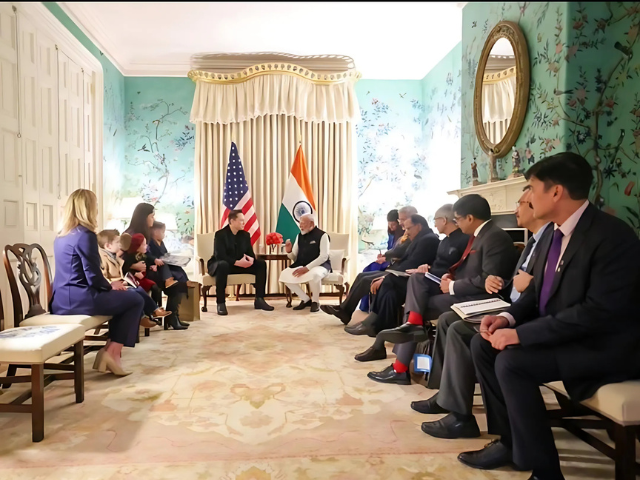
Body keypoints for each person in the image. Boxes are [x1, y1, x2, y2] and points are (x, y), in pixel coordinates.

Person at [458, 152, 640, 480]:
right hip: (566, 335)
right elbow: (533, 294)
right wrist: (508, 320)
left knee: (513, 363)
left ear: (556, 192)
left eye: (531, 187)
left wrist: (523, 335)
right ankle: (511, 443)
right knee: (483, 346)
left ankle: (544, 472)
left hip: (602, 345)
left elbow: (598, 313)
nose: (525, 197)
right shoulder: (553, 235)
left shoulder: (612, 237)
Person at [417, 188, 552, 440]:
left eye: (521, 203)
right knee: (445, 316)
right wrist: (498, 281)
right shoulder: (533, 240)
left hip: (506, 306)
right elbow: (509, 279)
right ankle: (447, 395)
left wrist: (507, 284)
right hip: (507, 303)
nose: (515, 210)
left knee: (454, 324)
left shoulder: (503, 237)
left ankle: (459, 412)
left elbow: (528, 285)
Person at [365, 194, 518, 385]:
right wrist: (451, 276)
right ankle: (407, 345)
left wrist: (453, 285)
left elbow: (490, 282)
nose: (458, 224)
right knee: (417, 282)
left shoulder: (494, 237)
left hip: (477, 298)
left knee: (417, 309)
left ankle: (401, 365)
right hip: (462, 289)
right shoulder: (480, 236)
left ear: (469, 218)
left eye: (459, 219)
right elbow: (467, 268)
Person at [50, 189, 144, 377]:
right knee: (135, 300)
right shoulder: (85, 235)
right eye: (96, 206)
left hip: (60, 299)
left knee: (127, 297)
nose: (97, 210)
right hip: (78, 299)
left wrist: (111, 287)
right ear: (88, 208)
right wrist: (111, 285)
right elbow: (92, 276)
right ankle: (111, 353)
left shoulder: (62, 235)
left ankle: (110, 351)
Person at [346, 204, 468, 338]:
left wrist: (427, 270)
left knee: (389, 281)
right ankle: (380, 328)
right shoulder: (444, 241)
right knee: (389, 290)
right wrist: (428, 268)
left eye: (436, 219)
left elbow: (454, 268)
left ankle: (375, 325)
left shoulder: (434, 239)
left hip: (437, 281)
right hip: (427, 275)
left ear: (444, 220)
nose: (406, 230)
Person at [320, 205, 417, 324]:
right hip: (394, 268)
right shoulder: (405, 234)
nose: (399, 223)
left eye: (400, 220)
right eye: (398, 220)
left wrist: (386, 257)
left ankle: (345, 311)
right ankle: (345, 309)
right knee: (362, 276)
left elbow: (400, 252)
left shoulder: (414, 235)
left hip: (398, 272)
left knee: (366, 279)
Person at [97, 229, 170, 330]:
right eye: (117, 242)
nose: (120, 245)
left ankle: (153, 311)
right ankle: (145, 316)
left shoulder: (114, 256)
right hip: (110, 289)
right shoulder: (101, 258)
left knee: (138, 289)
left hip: (121, 285)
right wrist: (113, 283)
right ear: (108, 246)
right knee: (134, 293)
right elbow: (102, 277)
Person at [207, 210, 274, 316]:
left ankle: (259, 299)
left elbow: (250, 253)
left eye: (244, 220)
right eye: (241, 220)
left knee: (261, 263)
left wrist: (251, 260)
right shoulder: (220, 234)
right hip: (222, 265)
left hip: (240, 264)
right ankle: (221, 303)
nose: (244, 223)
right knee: (223, 265)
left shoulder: (245, 235)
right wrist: (237, 262)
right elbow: (220, 256)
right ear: (232, 221)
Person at [122, 233, 190, 330]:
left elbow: (148, 262)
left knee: (178, 287)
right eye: (144, 244)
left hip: (152, 277)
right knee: (171, 287)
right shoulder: (128, 256)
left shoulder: (144, 255)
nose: (147, 246)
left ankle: (173, 317)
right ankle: (161, 314)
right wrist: (133, 269)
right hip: (142, 281)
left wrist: (152, 266)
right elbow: (123, 269)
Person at [279, 214, 331, 312]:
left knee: (314, 274)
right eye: (300, 223)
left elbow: (324, 256)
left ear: (311, 223)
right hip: (302, 265)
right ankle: (305, 299)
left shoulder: (323, 235)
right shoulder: (299, 236)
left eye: (303, 223)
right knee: (284, 275)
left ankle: (315, 301)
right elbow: (294, 257)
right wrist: (289, 251)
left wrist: (307, 268)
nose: (300, 226)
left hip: (320, 266)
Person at [357, 209, 404, 312]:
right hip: (388, 259)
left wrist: (386, 258)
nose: (391, 227)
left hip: (394, 263)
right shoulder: (391, 234)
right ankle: (364, 305)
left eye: (394, 224)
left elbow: (399, 254)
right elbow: (390, 250)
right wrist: (383, 255)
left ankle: (367, 306)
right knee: (367, 269)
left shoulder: (403, 236)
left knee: (370, 271)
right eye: (389, 224)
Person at [124, 203, 178, 290]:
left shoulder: (146, 234)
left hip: (148, 268)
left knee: (176, 273)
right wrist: (132, 266)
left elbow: (147, 255)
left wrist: (153, 264)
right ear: (144, 217)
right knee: (175, 278)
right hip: (135, 273)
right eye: (152, 216)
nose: (154, 219)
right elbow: (121, 259)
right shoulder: (131, 235)